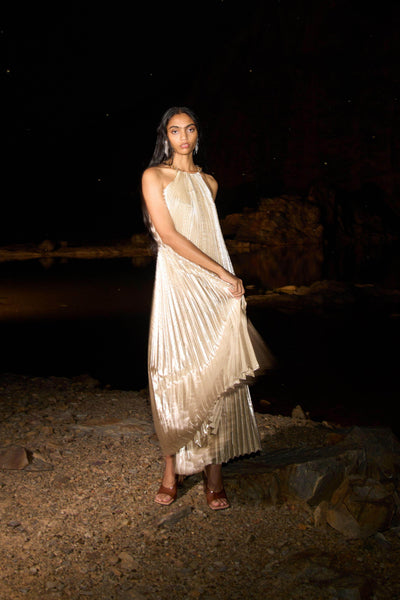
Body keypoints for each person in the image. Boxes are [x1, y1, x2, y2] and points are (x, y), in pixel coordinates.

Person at [141, 107, 272, 510]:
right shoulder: (154, 176)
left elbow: (208, 237)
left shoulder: (209, 183)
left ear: (198, 135)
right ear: (165, 136)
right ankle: (172, 469)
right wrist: (222, 273)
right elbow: (168, 235)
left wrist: (223, 280)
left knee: (216, 373)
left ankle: (214, 472)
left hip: (211, 287)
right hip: (177, 286)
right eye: (175, 130)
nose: (183, 136)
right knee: (171, 372)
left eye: (190, 129)